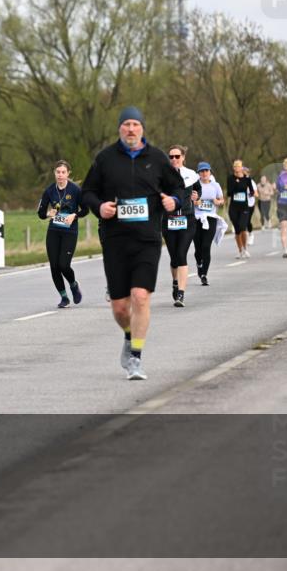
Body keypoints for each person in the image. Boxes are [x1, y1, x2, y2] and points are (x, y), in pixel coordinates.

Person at [80, 106, 183, 381]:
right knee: (120, 307)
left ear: (142, 129)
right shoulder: (105, 159)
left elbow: (179, 188)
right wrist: (99, 207)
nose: (130, 129)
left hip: (148, 240)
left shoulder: (158, 158)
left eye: (135, 124)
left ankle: (136, 357)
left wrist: (175, 201)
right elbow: (87, 192)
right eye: (126, 124)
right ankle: (128, 335)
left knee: (140, 296)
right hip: (115, 241)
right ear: (119, 128)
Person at [37, 160, 88, 308]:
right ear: (54, 173)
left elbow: (85, 210)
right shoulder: (49, 191)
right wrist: (48, 214)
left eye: (63, 172)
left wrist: (75, 215)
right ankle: (64, 297)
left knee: (63, 265)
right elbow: (40, 213)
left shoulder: (75, 190)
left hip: (69, 232)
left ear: (68, 174)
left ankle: (73, 285)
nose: (60, 175)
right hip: (54, 231)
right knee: (54, 266)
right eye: (58, 172)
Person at [162, 145, 200, 308]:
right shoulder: (163, 175)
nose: (174, 159)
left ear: (183, 157)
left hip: (187, 219)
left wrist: (197, 196)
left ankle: (181, 294)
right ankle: (175, 282)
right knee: (174, 258)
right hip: (169, 220)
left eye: (177, 156)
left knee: (182, 254)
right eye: (171, 157)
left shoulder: (191, 175)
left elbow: (198, 191)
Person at [192, 161, 223, 286]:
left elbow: (221, 200)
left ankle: (204, 274)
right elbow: (189, 200)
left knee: (206, 246)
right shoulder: (194, 185)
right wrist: (195, 202)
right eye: (202, 171)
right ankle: (199, 263)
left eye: (206, 171)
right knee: (198, 248)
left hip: (210, 218)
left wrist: (217, 201)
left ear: (210, 172)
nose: (204, 173)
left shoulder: (215, 185)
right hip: (196, 219)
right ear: (198, 173)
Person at [226, 160, 254, 259]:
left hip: (244, 207)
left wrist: (251, 194)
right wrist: (236, 183)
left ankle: (245, 248)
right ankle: (240, 250)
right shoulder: (230, 178)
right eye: (235, 166)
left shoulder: (247, 179)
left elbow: (252, 191)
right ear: (233, 168)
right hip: (233, 208)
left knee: (243, 227)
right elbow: (229, 193)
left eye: (238, 166)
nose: (237, 168)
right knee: (237, 230)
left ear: (242, 167)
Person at [244, 166, 258, 246]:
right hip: (241, 204)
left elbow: (256, 194)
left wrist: (248, 194)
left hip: (249, 204)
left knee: (247, 221)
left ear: (248, 173)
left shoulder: (251, 182)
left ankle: (251, 234)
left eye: (244, 172)